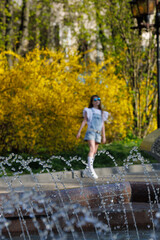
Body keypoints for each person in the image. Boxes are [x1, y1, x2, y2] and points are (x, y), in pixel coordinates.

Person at [76, 95, 109, 179]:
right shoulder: (89, 110)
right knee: (92, 149)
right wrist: (79, 131)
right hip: (91, 132)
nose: (97, 101)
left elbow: (103, 125)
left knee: (94, 152)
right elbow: (85, 121)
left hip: (98, 134)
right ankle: (91, 169)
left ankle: (87, 170)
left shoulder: (102, 112)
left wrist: (104, 136)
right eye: (95, 100)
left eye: (98, 99)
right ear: (92, 101)